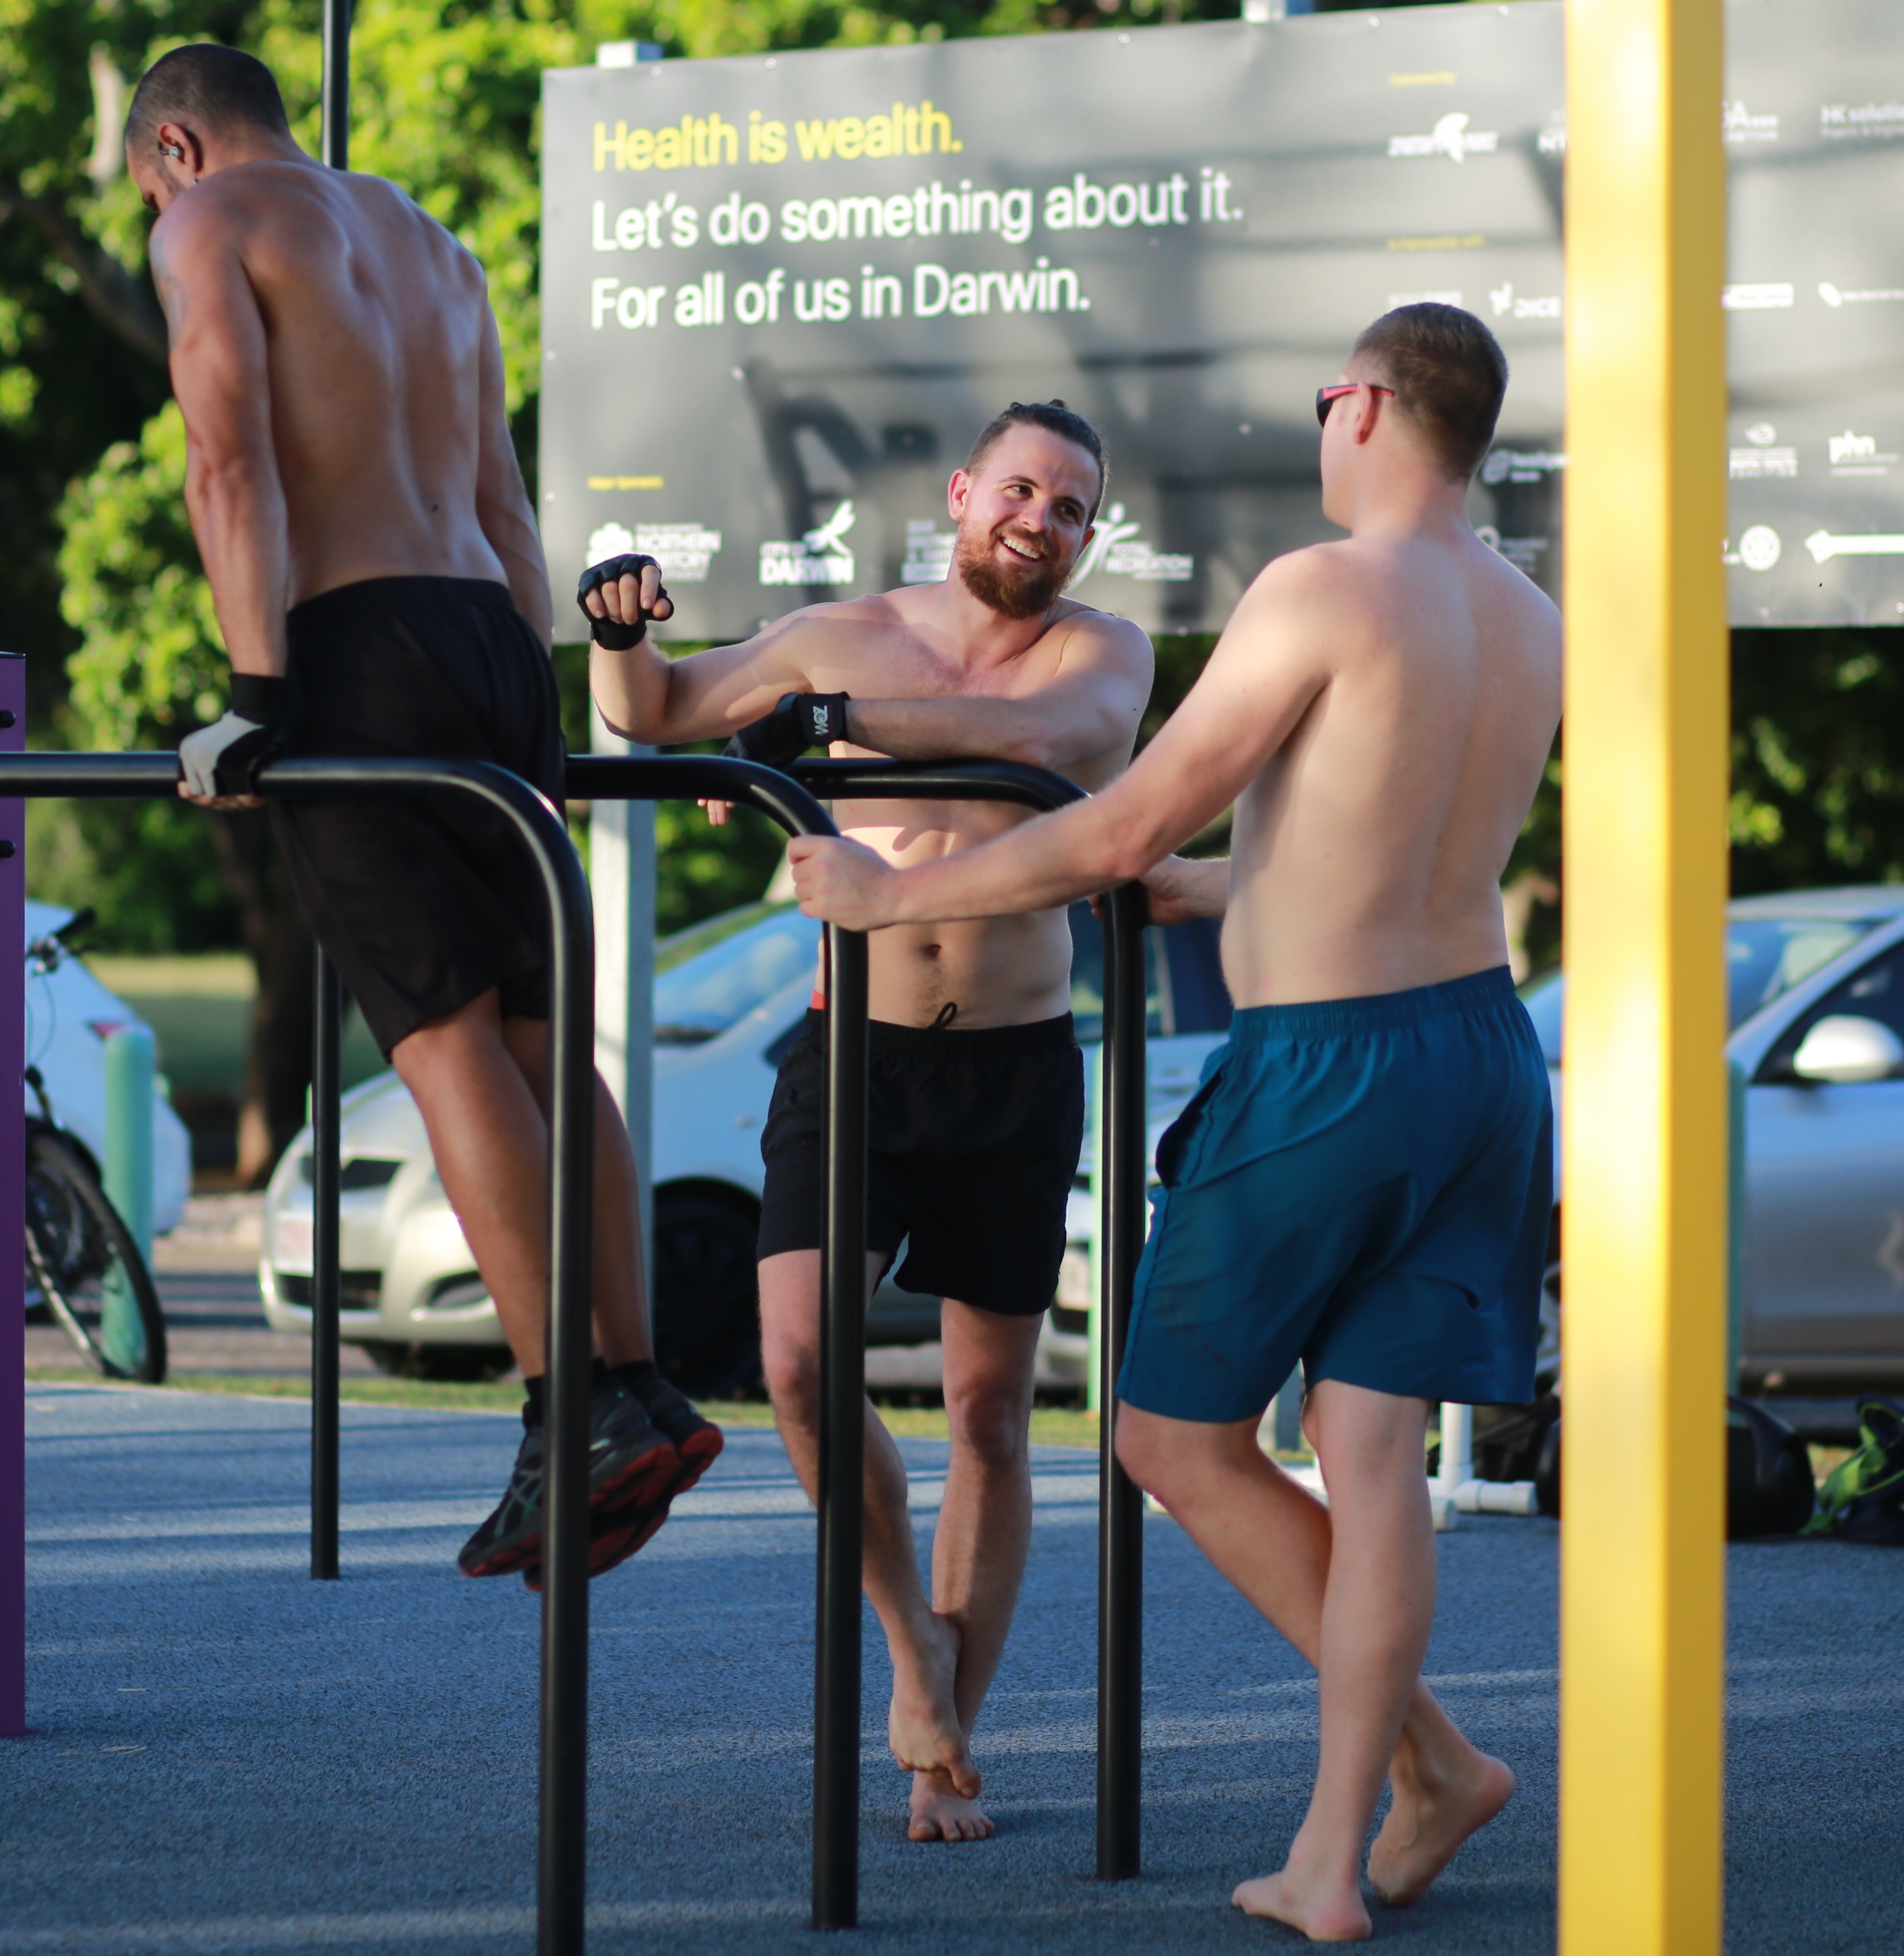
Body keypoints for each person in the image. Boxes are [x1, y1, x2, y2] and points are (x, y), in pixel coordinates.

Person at [790, 304, 1554, 1938]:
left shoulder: (1324, 587)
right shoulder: (1524, 614)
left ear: (1362, 406)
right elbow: (1383, 842)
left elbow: (1116, 825)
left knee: (1170, 1441)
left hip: (1328, 1073)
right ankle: (1353, 1844)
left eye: (1328, 401)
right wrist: (1209, 890)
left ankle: (1416, 1779)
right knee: (1373, 1457)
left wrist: (878, 895)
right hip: (1481, 1056)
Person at [127, 43, 717, 1582]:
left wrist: (254, 699)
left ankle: (571, 1411)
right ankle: (637, 1380)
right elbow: (508, 503)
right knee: (548, 1047)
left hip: (354, 651)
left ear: (175, 147)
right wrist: (541, 729)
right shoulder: (432, 242)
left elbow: (226, 461)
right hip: (493, 646)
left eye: (148, 190)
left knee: (447, 1045)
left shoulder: (209, 222)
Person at [578, 403, 1154, 1841]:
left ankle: (939, 1754)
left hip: (1015, 1070)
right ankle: (915, 1655)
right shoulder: (840, 631)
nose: (1040, 519)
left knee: (989, 1415)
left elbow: (1053, 741)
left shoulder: (1101, 651)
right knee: (796, 1368)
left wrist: (829, 725)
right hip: (858, 1057)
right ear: (962, 492)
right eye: (1019, 488)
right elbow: (655, 712)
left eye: (1071, 508)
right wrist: (616, 629)